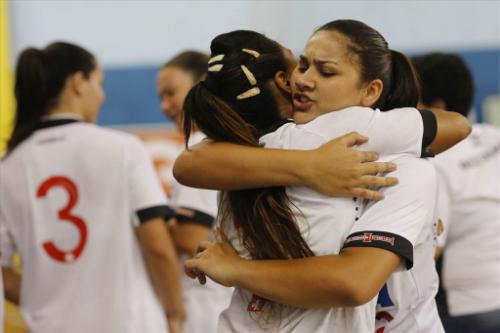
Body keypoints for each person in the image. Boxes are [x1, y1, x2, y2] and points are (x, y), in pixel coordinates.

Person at [178, 22, 470, 332]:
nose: (303, 80)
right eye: (302, 65)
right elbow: (457, 125)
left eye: (326, 72)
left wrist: (236, 269)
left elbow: (353, 281)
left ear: (370, 91)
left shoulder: (397, 162)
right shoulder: (246, 151)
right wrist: (311, 165)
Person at [0, 42, 184, 332]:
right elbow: (157, 246)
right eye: (99, 83)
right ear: (77, 82)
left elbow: (3, 272)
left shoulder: (8, 166)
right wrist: (175, 312)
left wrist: (49, 301)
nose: (102, 95)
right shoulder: (123, 148)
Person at [413, 52, 500, 333]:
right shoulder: (495, 135)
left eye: (414, 104)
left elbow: (432, 246)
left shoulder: (436, 161)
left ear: (437, 108)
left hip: (472, 307)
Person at [157, 50, 232, 333]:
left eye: (171, 93)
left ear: (202, 85)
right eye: (160, 98)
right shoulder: (225, 144)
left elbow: (193, 238)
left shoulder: (198, 151)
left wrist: (152, 224)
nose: (165, 106)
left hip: (204, 305)